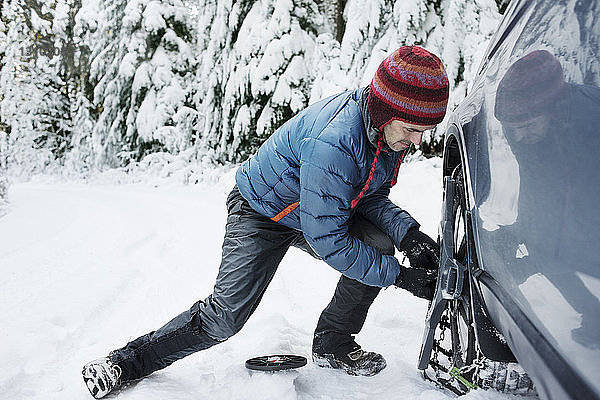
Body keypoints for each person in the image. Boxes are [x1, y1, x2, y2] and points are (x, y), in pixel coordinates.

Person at [82, 45, 450, 399]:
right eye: (411, 129)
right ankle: (126, 362)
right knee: (225, 317)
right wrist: (400, 277)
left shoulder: (384, 133)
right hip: (260, 211)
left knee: (378, 246)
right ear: (386, 111)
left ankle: (333, 344)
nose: (417, 140)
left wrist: (409, 235)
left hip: (312, 208)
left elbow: (367, 195)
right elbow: (330, 240)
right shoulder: (335, 141)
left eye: (424, 130)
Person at [493, 49, 600, 349]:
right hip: (578, 199)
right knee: (546, 247)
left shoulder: (591, 121)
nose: (520, 135)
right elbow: (536, 184)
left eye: (526, 126)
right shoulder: (526, 128)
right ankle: (594, 314)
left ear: (555, 110)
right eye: (513, 129)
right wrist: (521, 232)